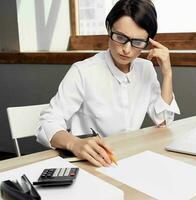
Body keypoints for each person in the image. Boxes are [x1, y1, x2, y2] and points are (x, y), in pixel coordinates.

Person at [36, 0, 180, 167]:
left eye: (138, 42)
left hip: (129, 159)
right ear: (108, 28)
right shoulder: (83, 71)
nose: (126, 49)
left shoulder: (145, 68)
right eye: (120, 37)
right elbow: (47, 123)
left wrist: (167, 74)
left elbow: (163, 121)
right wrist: (74, 143)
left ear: (149, 41)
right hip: (91, 163)